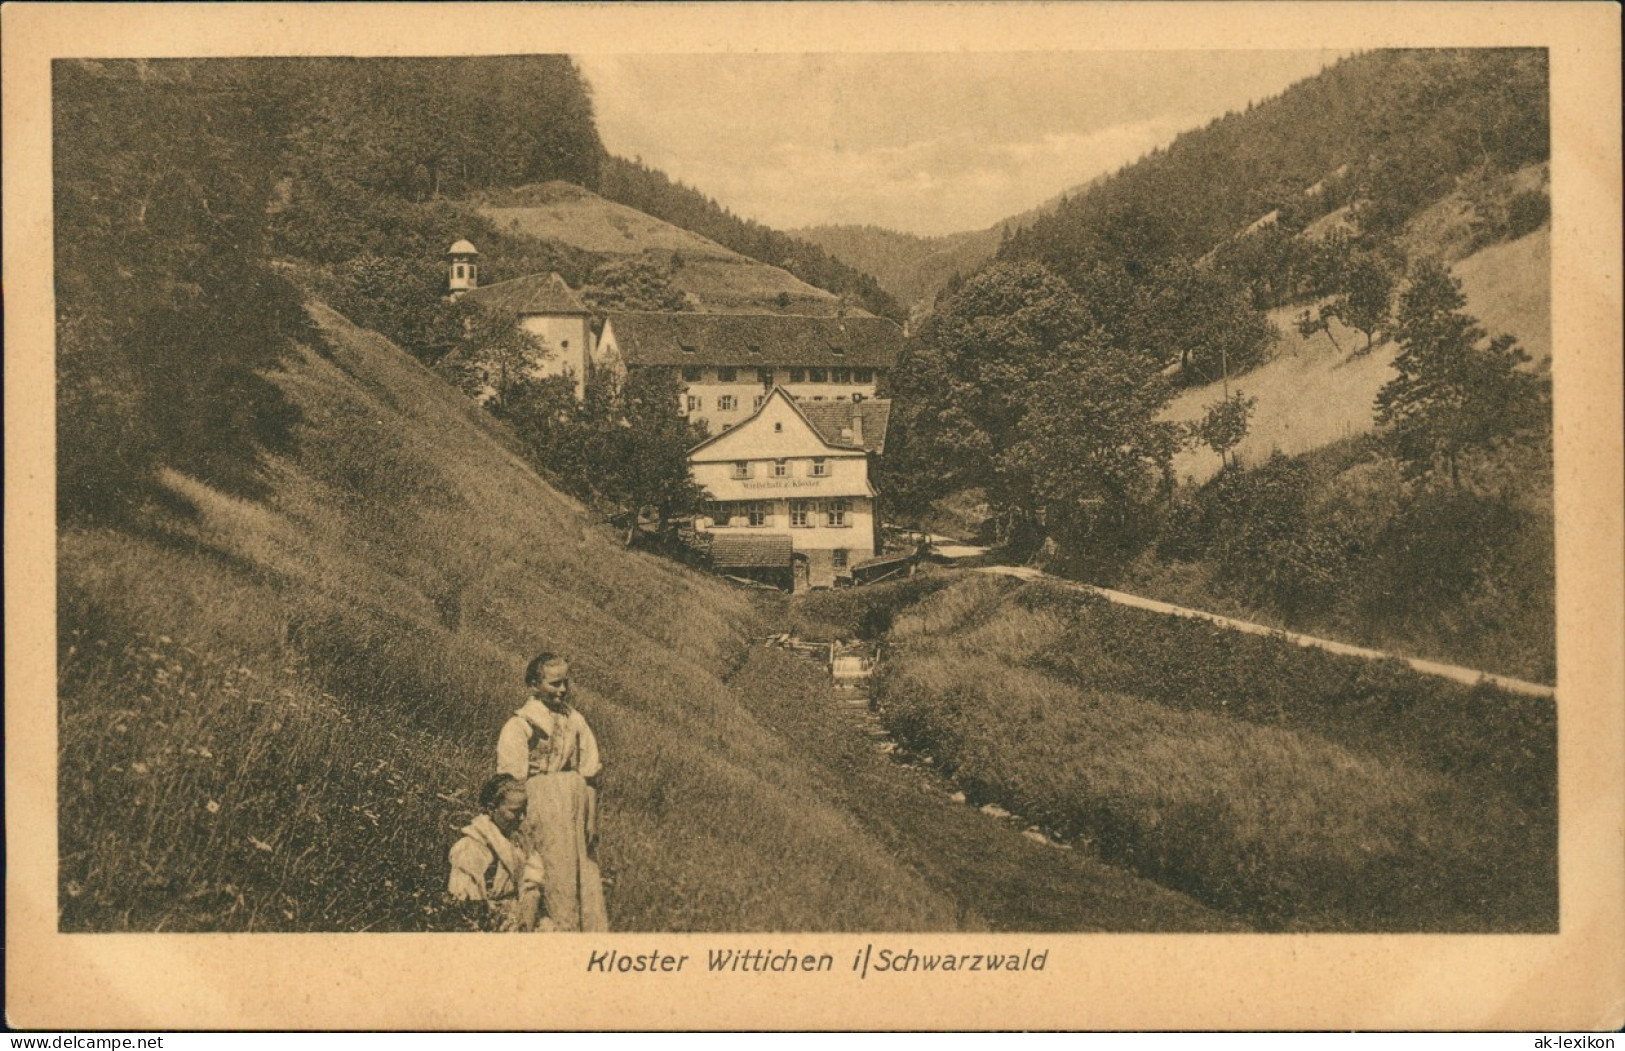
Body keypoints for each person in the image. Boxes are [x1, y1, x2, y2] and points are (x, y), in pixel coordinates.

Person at [496, 652, 608, 931]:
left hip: (570, 813)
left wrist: (590, 819)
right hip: (536, 808)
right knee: (535, 872)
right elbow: (512, 780)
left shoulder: (575, 721)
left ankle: (568, 927)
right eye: (554, 684)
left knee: (571, 875)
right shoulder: (521, 725)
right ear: (535, 685)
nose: (562, 690)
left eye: (565, 683)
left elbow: (589, 771)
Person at [447, 773, 546, 932]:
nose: (522, 818)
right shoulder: (471, 847)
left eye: (524, 811)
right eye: (515, 811)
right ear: (492, 808)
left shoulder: (519, 843)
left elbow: (532, 886)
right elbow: (467, 905)